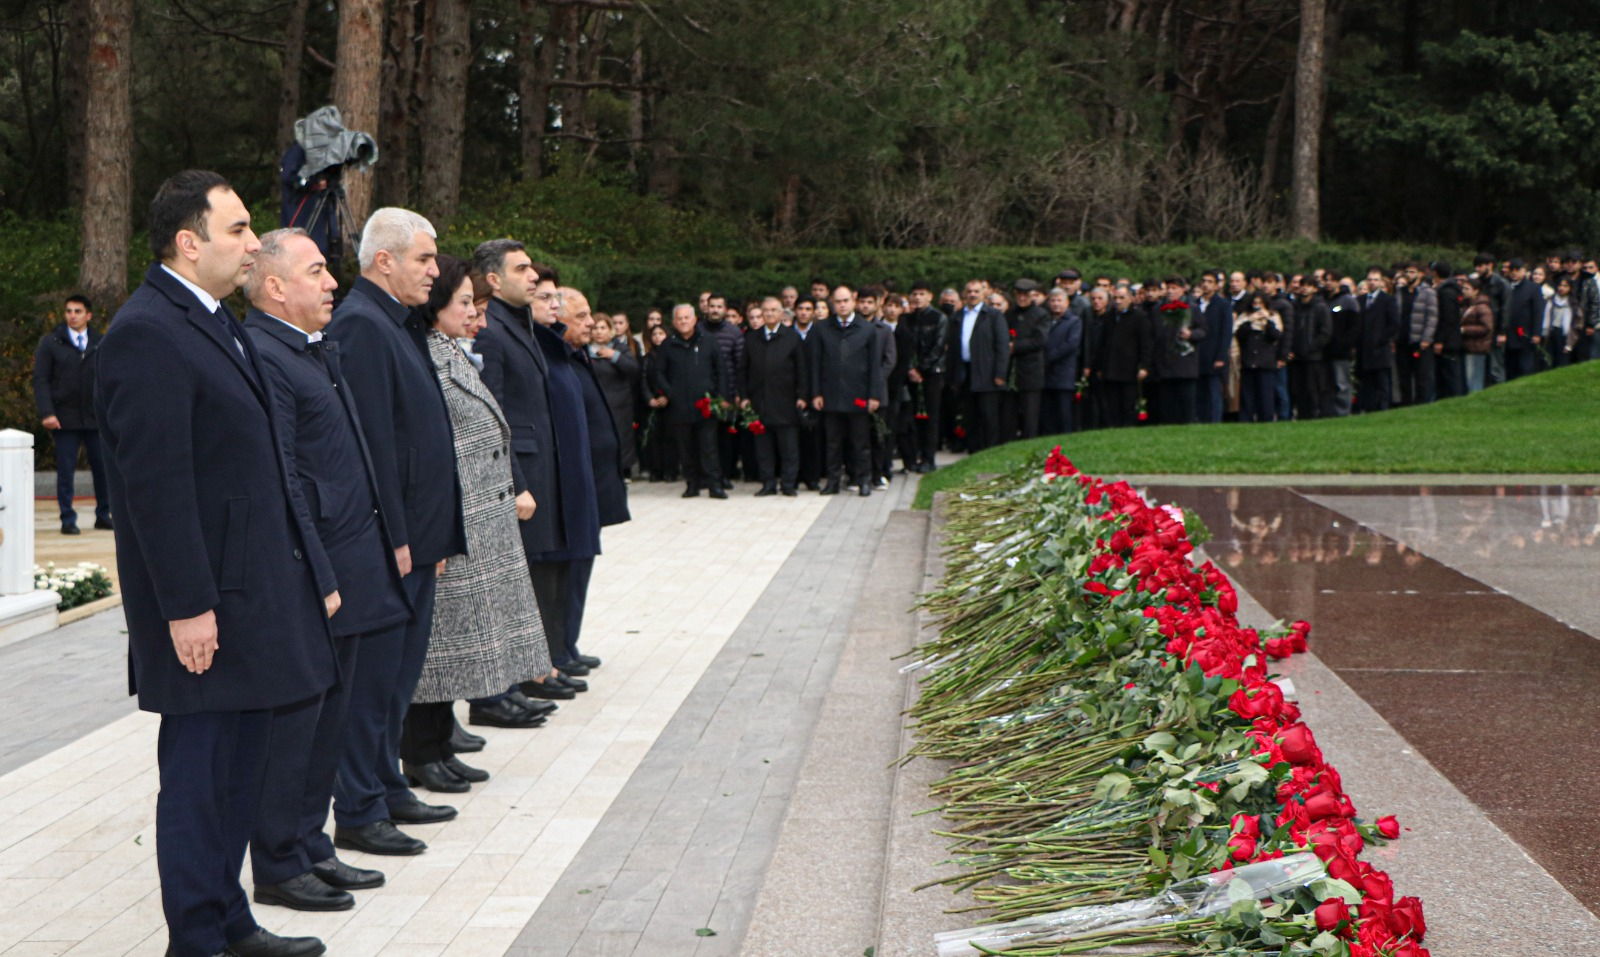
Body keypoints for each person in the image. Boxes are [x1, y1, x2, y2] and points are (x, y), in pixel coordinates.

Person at [96, 169, 333, 957]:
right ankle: (196, 938)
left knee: (238, 770)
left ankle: (229, 919)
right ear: (187, 241)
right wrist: (187, 606)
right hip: (206, 607)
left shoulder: (214, 319)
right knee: (200, 779)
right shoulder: (146, 331)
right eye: (237, 230)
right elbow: (155, 488)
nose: (252, 243)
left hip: (249, 597)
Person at [240, 228, 412, 911]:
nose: (332, 282)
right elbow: (283, 476)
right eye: (316, 271)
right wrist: (321, 572)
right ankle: (280, 860)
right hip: (320, 572)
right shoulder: (266, 355)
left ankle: (312, 843)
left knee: (333, 715)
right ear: (276, 286)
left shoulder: (315, 348)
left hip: (354, 560)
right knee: (298, 723)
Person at [325, 206, 466, 847]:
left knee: (397, 681)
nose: (435, 272)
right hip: (393, 545)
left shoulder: (396, 324)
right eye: (425, 260)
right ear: (384, 261)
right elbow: (372, 445)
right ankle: (359, 808)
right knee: (373, 683)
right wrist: (399, 537)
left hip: (419, 541)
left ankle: (386, 787)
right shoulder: (360, 326)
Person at [403, 256, 554, 787]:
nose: (475, 314)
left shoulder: (447, 351)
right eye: (464, 302)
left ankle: (438, 745)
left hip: (476, 517)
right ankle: (422, 753)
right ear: (436, 305)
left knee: (456, 642)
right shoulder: (424, 355)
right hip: (455, 520)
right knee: (443, 645)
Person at [34, 293, 112, 535]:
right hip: (64, 418)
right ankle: (68, 518)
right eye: (69, 311)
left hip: (95, 417)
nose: (72, 315)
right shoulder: (52, 343)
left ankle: (103, 514)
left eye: (77, 311)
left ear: (88, 315)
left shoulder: (101, 342)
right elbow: (41, 380)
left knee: (103, 469)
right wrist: (47, 412)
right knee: (65, 471)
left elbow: (110, 379)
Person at [811, 284, 884, 496]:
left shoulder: (867, 329)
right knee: (833, 442)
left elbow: (874, 366)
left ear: (853, 302)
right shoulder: (821, 328)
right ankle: (833, 482)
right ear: (832, 304)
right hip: (831, 394)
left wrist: (874, 395)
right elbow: (815, 363)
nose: (842, 305)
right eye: (838, 302)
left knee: (860, 442)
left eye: (846, 301)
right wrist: (816, 393)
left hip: (858, 394)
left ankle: (864, 480)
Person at [652, 303, 731, 498]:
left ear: (695, 320)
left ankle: (714, 485)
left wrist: (721, 396)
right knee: (685, 448)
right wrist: (670, 392)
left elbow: (721, 370)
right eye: (679, 319)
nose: (683, 322)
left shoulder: (709, 341)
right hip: (679, 406)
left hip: (706, 404)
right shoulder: (667, 345)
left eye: (687, 318)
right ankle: (692, 484)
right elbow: (658, 373)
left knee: (709, 447)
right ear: (674, 322)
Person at [742, 296, 808, 496]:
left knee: (789, 448)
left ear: (781, 313)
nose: (769, 313)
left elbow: (802, 370)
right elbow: (743, 370)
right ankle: (768, 484)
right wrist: (743, 396)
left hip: (786, 401)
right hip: (759, 401)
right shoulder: (751, 338)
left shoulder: (792, 337)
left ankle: (788, 484)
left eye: (774, 310)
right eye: (766, 310)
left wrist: (803, 395)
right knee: (763, 448)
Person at [949, 279, 1009, 452]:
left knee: (989, 417)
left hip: (987, 373)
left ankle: (991, 453)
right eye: (969, 291)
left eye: (976, 291)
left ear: (984, 294)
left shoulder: (993, 315)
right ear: (964, 294)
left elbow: (1002, 346)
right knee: (970, 416)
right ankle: (973, 451)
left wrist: (1000, 373)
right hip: (964, 372)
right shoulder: (957, 316)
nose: (973, 295)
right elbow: (952, 347)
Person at [588, 312, 642, 476]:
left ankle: (623, 471)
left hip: (619, 405)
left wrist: (614, 357)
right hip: (595, 405)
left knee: (621, 438)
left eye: (603, 327)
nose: (599, 331)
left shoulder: (620, 348)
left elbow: (634, 369)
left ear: (610, 330)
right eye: (595, 328)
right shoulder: (585, 350)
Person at [1149, 275, 1204, 425]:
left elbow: (1203, 330)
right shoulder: (1157, 309)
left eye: (1174, 288)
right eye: (1168, 288)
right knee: (1167, 404)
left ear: (1182, 290)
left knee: (1186, 403)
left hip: (1185, 362)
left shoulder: (1191, 307)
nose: (1170, 292)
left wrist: (1191, 334)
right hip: (1165, 362)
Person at [904, 282, 947, 471]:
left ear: (930, 296)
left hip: (932, 373)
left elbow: (938, 347)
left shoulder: (939, 318)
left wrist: (921, 368)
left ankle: (929, 457)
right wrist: (910, 368)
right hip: (911, 374)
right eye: (915, 294)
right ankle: (914, 456)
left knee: (931, 416)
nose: (918, 298)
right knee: (912, 417)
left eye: (922, 294)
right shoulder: (907, 319)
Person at [1096, 286, 1151, 428]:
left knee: (1128, 402)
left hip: (1130, 368)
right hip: (1111, 368)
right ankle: (1113, 427)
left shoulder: (1139, 317)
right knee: (1112, 402)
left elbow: (1145, 344)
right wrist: (1101, 366)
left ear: (1131, 298)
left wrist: (1144, 366)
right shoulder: (1110, 316)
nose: (1118, 302)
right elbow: (1102, 343)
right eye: (1115, 298)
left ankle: (1129, 427)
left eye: (1122, 298)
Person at [1005, 278, 1049, 440]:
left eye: (1026, 295)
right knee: (1009, 414)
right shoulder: (1010, 314)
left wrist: (1014, 347)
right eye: (1020, 295)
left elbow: (1040, 340)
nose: (1023, 299)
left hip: (1030, 371)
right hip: (1010, 373)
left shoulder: (1040, 315)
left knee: (1030, 415)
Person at [1287, 275, 1332, 420]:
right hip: (1297, 356)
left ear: (1314, 288)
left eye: (1308, 285)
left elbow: (1325, 332)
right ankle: (1301, 414)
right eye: (1302, 285)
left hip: (1313, 356)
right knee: (1297, 388)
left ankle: (1315, 413)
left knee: (1312, 388)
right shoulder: (1295, 306)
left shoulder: (1320, 306)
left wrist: (1312, 347)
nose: (1304, 288)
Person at [1233, 292, 1282, 423]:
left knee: (1266, 395)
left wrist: (1267, 321)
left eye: (1260, 303)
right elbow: (1239, 334)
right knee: (1247, 395)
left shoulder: (1273, 317)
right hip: (1248, 361)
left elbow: (1276, 336)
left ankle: (1266, 419)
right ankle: (1246, 419)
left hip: (1266, 362)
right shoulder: (1245, 317)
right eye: (1255, 303)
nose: (1258, 306)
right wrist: (1250, 321)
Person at [1357, 267, 1401, 412]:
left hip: (1380, 348)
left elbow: (1394, 323)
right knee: (1367, 382)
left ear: (1380, 281)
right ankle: (1369, 408)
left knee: (1382, 381)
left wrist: (1381, 339)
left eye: (1375, 280)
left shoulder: (1387, 300)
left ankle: (1383, 408)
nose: (1372, 283)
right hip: (1365, 349)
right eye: (1369, 280)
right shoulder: (1361, 300)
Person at [1040, 287, 1082, 434]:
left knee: (1064, 411)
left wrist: (1049, 356)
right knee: (1048, 412)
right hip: (1046, 374)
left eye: (1059, 300)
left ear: (1067, 302)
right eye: (1053, 300)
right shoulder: (1046, 320)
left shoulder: (1074, 321)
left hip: (1064, 373)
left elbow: (1071, 344)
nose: (1056, 304)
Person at [1193, 270, 1233, 423]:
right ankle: (1201, 420)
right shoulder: (1195, 304)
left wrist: (1221, 356)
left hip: (1214, 355)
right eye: (1203, 281)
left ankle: (1215, 420)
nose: (1205, 285)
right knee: (1200, 392)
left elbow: (1226, 333)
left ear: (1216, 286)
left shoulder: (1223, 305)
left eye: (1210, 282)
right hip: (1198, 356)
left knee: (1214, 392)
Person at [1460, 277, 1495, 392]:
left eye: (1467, 289)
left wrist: (1465, 330)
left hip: (1477, 347)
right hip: (1469, 346)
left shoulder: (1482, 307)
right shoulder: (1467, 305)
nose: (1464, 291)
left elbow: (1486, 327)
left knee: (1474, 378)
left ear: (1476, 291)